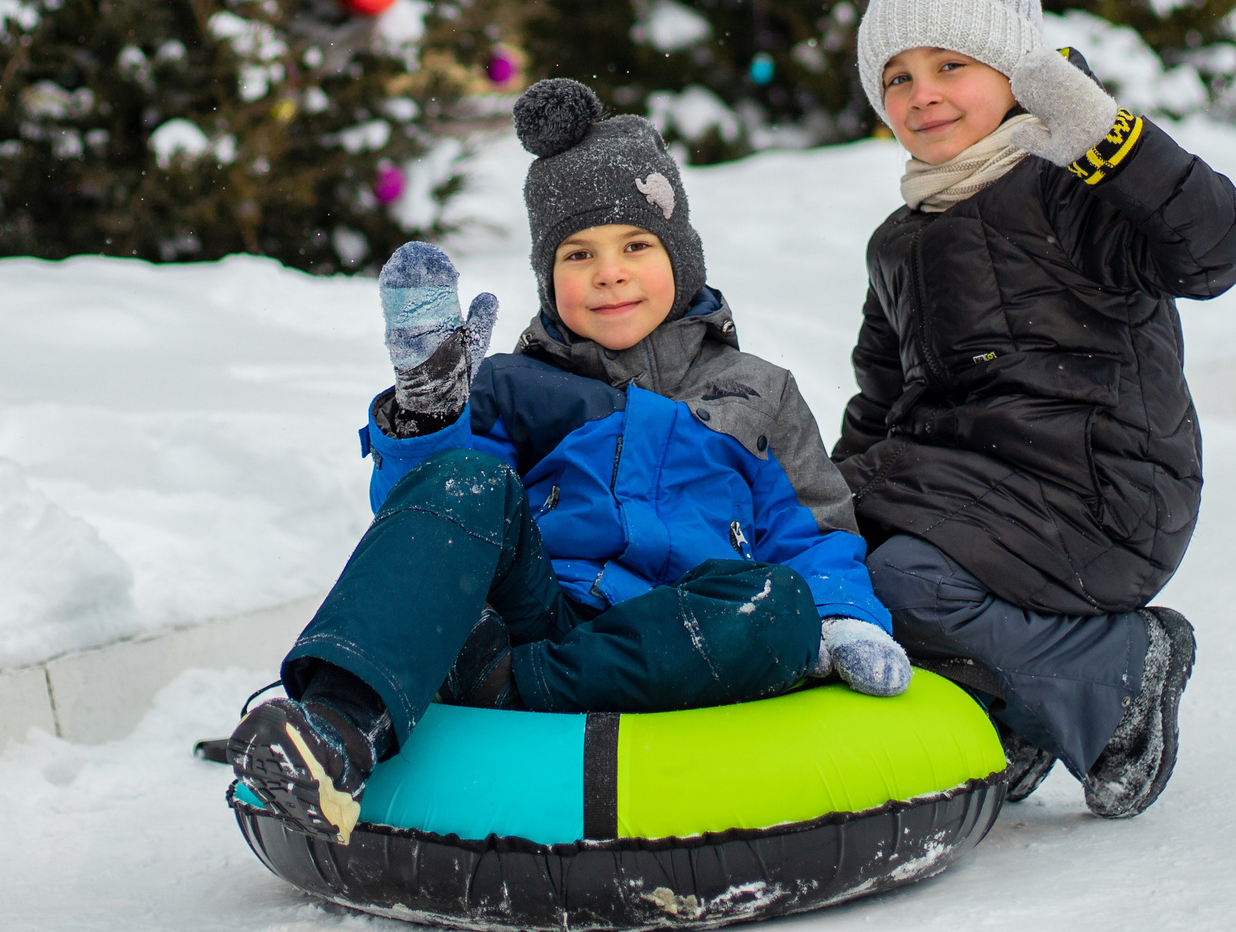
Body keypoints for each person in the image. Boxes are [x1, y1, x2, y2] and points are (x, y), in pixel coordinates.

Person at [230, 78, 910, 842]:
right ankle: (333, 729)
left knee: (778, 603)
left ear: (681, 258)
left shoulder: (758, 392)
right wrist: (430, 417)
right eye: (578, 253)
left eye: (636, 246)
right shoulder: (517, 386)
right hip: (539, 609)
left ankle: (508, 690)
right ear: (548, 278)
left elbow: (812, 530)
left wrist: (847, 616)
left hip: (680, 629)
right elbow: (428, 509)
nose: (609, 272)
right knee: (468, 477)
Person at [836, 0, 1236, 820]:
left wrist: (1112, 143)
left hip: (1100, 491)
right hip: (970, 495)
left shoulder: (1076, 193)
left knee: (902, 579)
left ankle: (1117, 669)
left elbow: (1217, 247)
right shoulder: (900, 240)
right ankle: (1011, 707)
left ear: (1019, 73)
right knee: (829, 561)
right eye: (898, 77)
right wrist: (820, 508)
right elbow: (880, 406)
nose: (924, 94)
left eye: (953, 62)